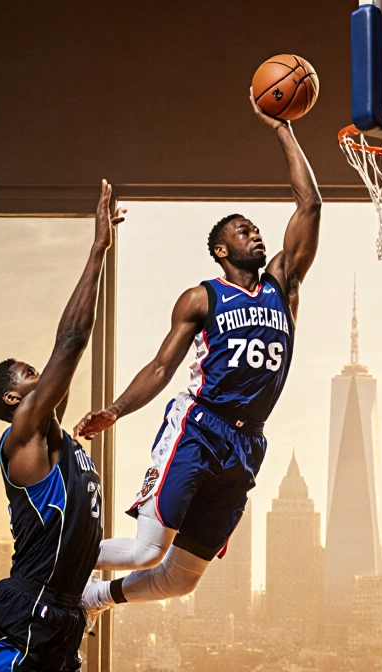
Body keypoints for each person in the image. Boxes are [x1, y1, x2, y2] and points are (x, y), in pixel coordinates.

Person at [76, 91, 321, 618]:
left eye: (257, 231)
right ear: (221, 249)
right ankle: (47, 558)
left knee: (180, 579)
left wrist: (282, 127)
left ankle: (97, 596)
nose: (256, 235)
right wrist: (116, 410)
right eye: (243, 231)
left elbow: (310, 206)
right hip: (199, 425)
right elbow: (163, 366)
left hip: (247, 444)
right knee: (146, 550)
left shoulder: (284, 287)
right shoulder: (201, 297)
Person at [0, 181, 125, 672]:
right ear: (15, 400)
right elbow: (74, 339)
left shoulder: (70, 447)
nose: (44, 376)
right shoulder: (22, 436)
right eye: (31, 376)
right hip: (24, 611)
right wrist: (98, 249)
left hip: (63, 614)